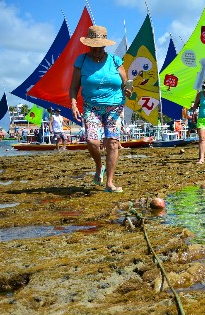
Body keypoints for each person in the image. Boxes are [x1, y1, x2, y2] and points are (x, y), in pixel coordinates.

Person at [69, 25, 131, 193]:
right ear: (89, 45)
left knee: (112, 142)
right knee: (92, 141)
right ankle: (99, 166)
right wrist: (74, 103)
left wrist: (128, 89)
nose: (97, 50)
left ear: (105, 45)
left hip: (115, 107)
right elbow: (74, 87)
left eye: (100, 46)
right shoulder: (81, 61)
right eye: (94, 46)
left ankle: (109, 183)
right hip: (91, 107)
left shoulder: (115, 61)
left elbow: (126, 83)